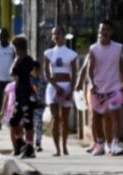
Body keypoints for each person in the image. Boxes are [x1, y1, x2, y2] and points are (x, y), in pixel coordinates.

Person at [85, 20, 123, 156]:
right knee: (97, 117)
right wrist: (92, 83)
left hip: (114, 86)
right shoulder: (93, 49)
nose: (105, 32)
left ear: (111, 32)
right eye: (103, 29)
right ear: (99, 32)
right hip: (98, 87)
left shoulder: (117, 47)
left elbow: (120, 64)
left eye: (108, 29)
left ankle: (115, 143)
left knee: (115, 114)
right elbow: (89, 69)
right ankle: (100, 143)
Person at [44, 26, 77, 156]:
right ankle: (57, 149)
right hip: (53, 87)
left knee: (65, 118)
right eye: (54, 34)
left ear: (64, 36)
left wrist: (71, 89)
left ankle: (64, 146)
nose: (56, 36)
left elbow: (74, 74)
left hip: (67, 86)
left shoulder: (71, 54)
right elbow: (46, 73)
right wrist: (56, 87)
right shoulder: (48, 53)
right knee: (55, 118)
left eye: (58, 34)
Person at [8, 36, 36, 158]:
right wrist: (16, 59)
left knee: (28, 122)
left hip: (27, 96)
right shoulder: (18, 60)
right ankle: (20, 142)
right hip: (19, 96)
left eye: (15, 48)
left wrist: (34, 95)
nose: (14, 51)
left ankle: (30, 147)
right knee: (14, 120)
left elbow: (34, 77)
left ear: (20, 48)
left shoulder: (28, 60)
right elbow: (11, 73)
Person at [30, 61, 47, 153]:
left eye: (36, 70)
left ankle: (38, 143)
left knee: (38, 124)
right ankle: (29, 142)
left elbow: (46, 92)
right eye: (33, 70)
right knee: (30, 125)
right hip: (30, 105)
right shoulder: (29, 80)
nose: (35, 72)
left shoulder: (43, 80)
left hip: (39, 105)